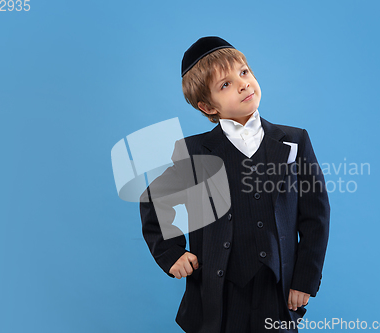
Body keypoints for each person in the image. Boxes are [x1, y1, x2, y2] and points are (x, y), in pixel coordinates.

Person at [140, 36, 330, 333]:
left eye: (243, 72)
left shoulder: (294, 141)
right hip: (219, 292)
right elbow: (155, 198)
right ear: (207, 106)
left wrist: (305, 280)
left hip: (276, 288)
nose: (243, 84)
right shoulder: (195, 151)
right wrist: (171, 253)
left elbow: (316, 217)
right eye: (225, 84)